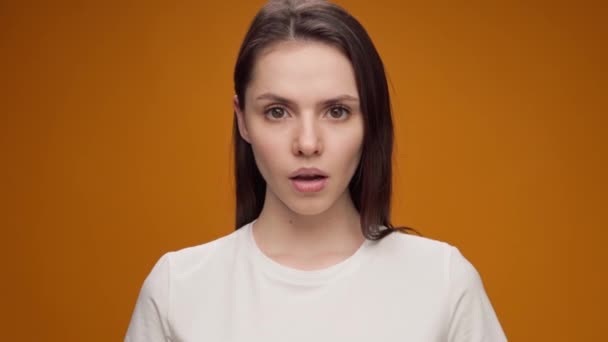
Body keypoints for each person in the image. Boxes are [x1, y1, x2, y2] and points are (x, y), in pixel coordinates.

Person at [125, 0, 507, 341]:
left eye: (337, 111)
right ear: (243, 120)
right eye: (277, 112)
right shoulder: (179, 289)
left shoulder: (442, 283)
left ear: (370, 121)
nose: (307, 143)